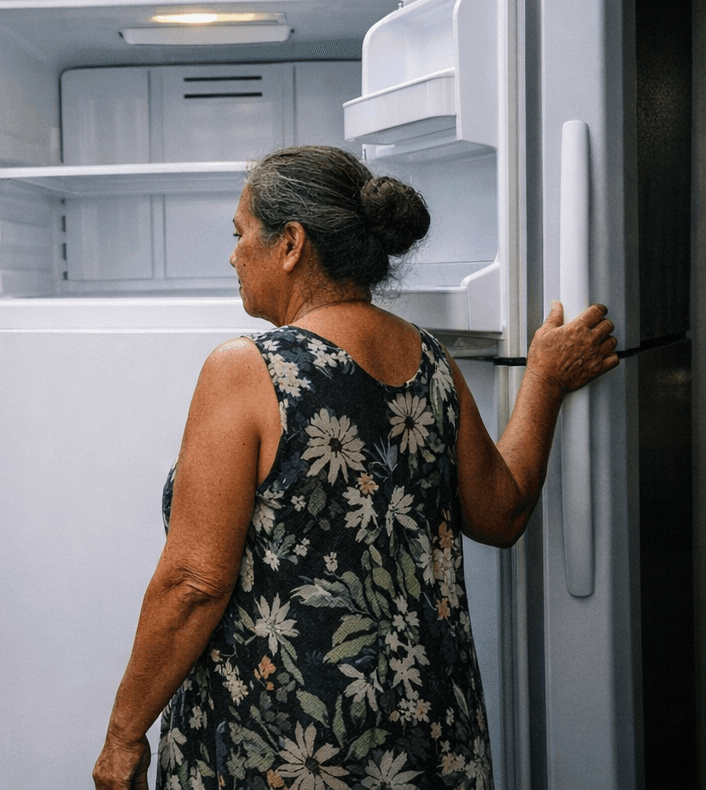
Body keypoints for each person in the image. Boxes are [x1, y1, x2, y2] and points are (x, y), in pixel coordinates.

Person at [92, 145, 619, 790]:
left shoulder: (248, 370)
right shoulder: (430, 362)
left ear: (290, 243)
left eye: (239, 235)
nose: (233, 255)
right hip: (429, 741)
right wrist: (544, 380)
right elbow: (502, 511)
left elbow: (194, 581)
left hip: (290, 747)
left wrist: (122, 735)